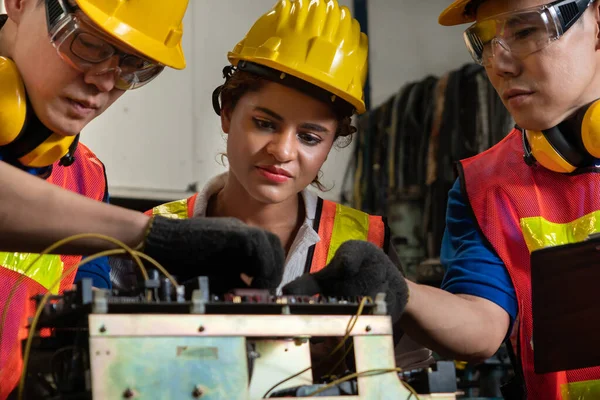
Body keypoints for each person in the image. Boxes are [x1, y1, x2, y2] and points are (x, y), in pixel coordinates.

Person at [107, 0, 433, 375]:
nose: (282, 151)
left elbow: (408, 380)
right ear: (227, 111)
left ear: (331, 145)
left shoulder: (367, 244)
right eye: (264, 123)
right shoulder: (153, 236)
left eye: (310, 137)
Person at [0, 0, 286, 398]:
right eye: (88, 44)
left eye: (132, 65)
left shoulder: (86, 178)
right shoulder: (105, 219)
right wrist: (155, 237)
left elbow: (79, 328)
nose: (104, 81)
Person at [395, 0, 600, 399]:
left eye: (525, 32)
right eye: (485, 42)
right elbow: (481, 327)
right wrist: (395, 289)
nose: (500, 65)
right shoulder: (485, 186)